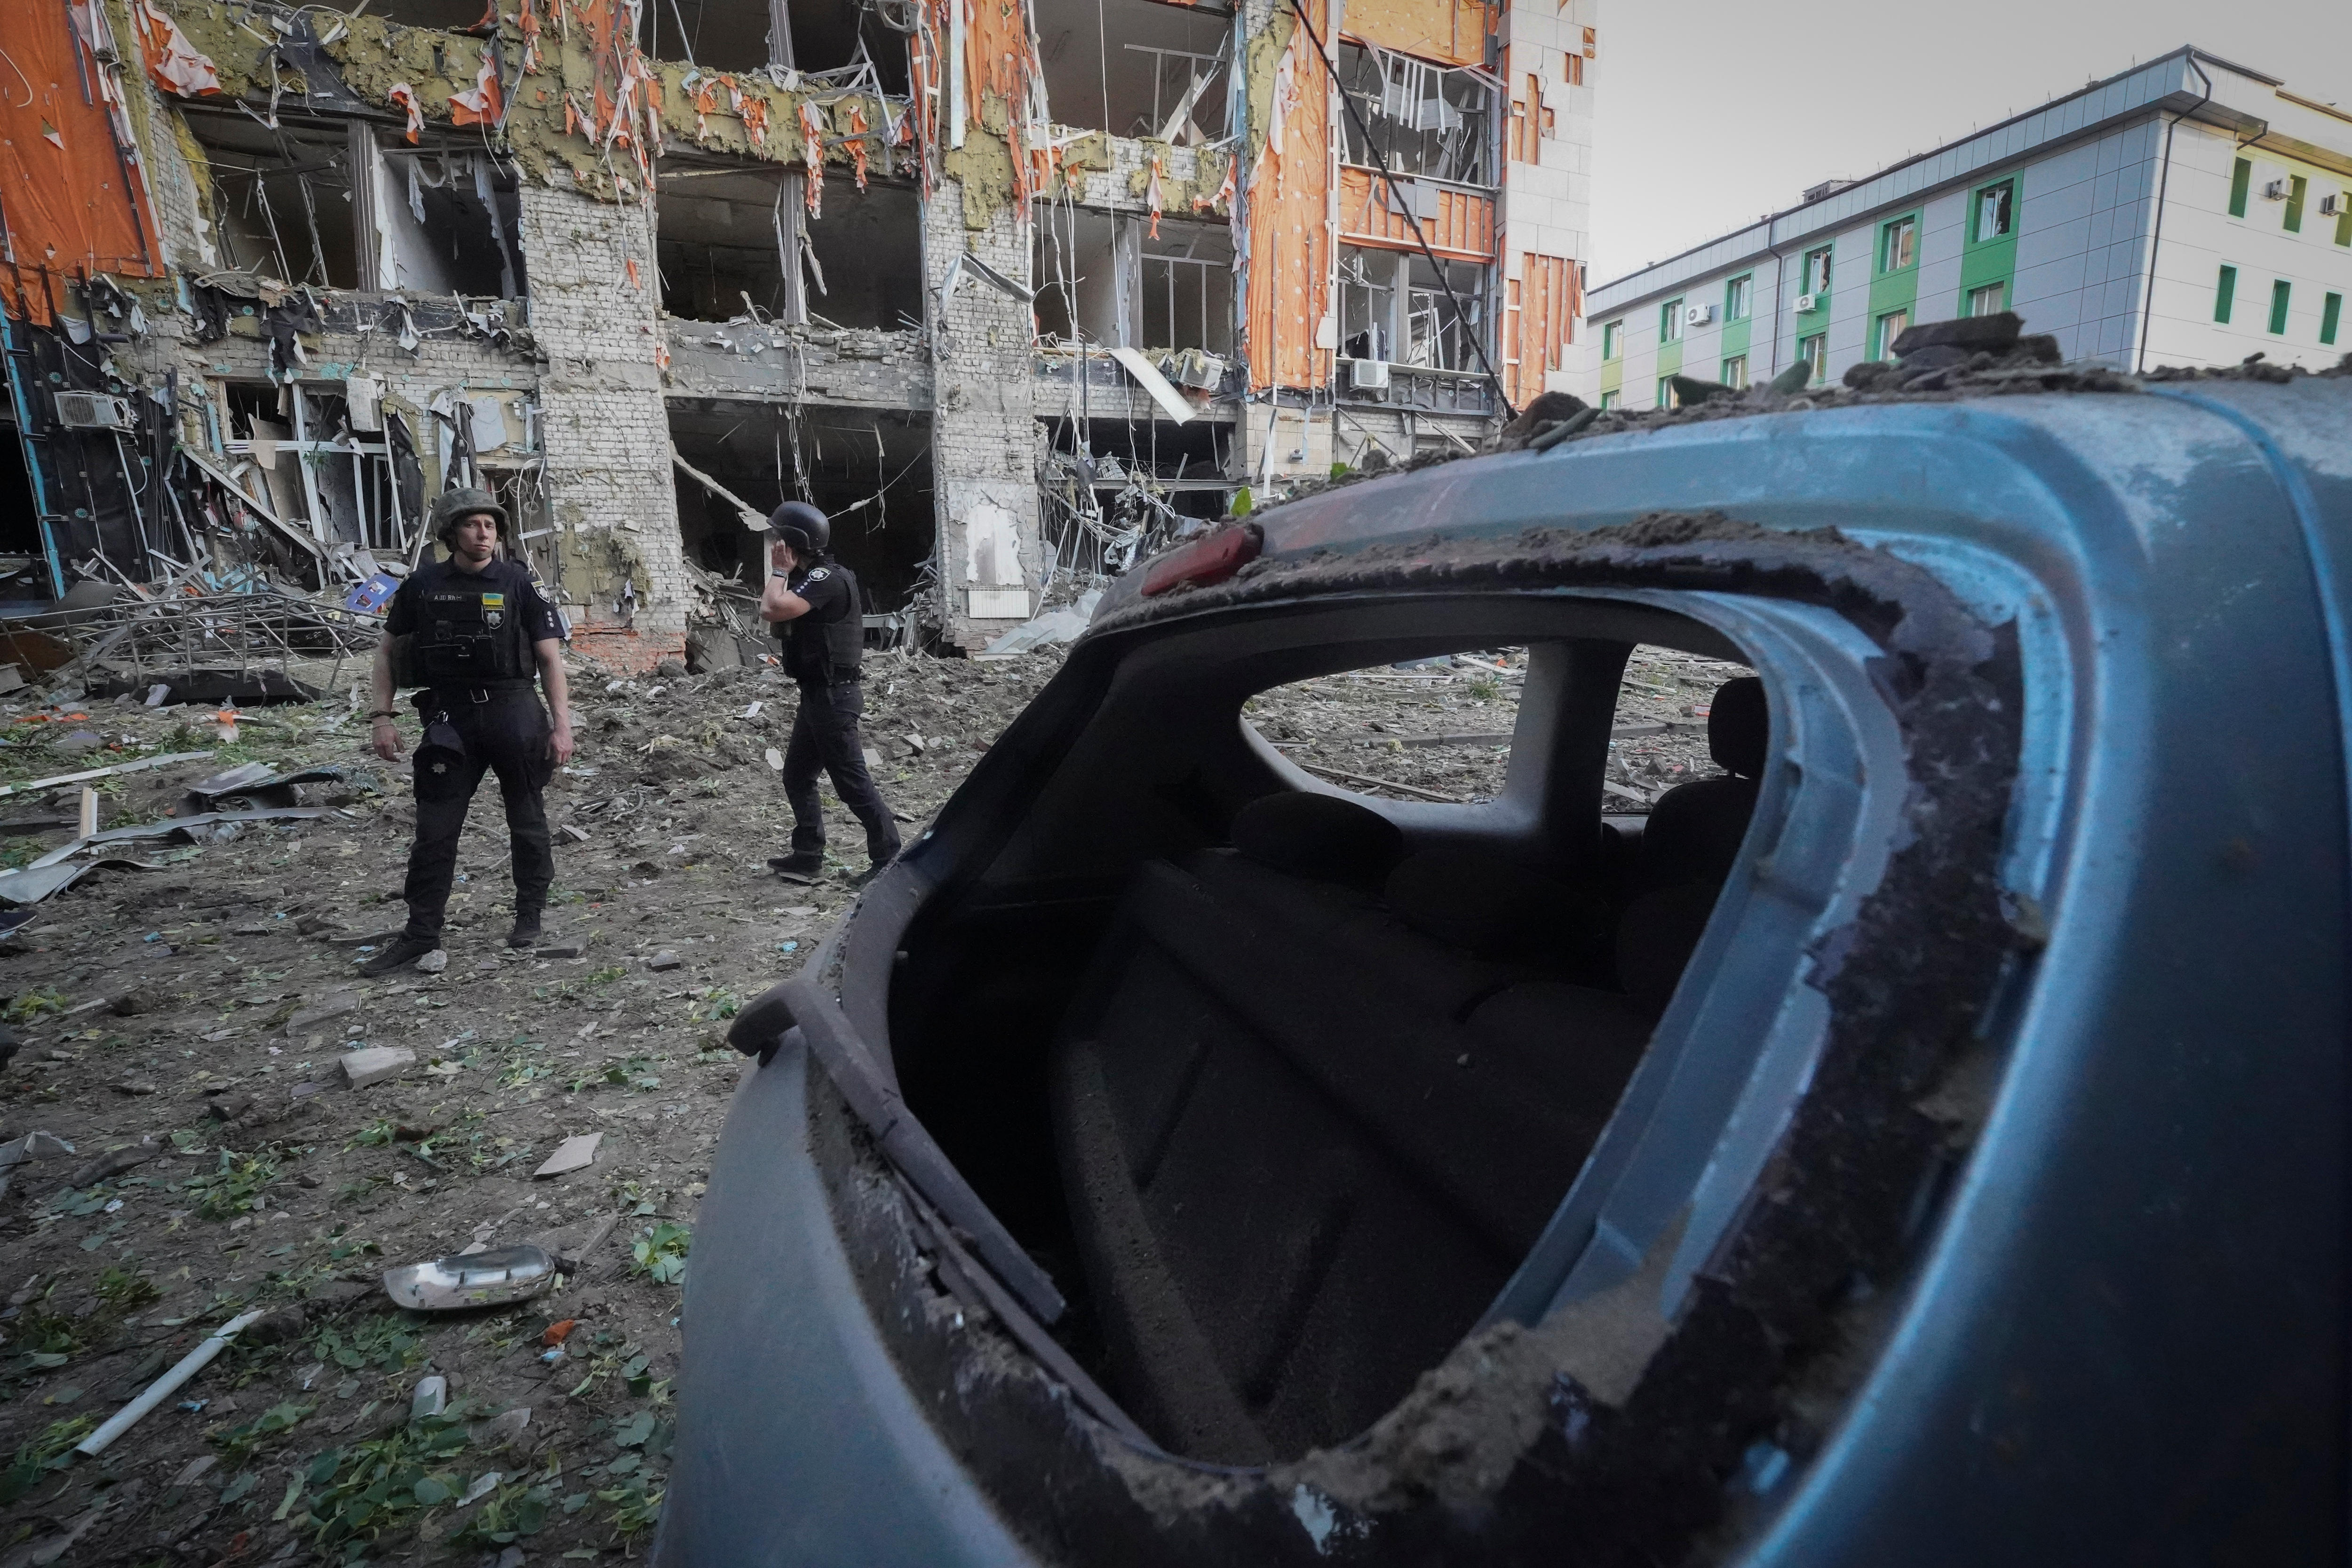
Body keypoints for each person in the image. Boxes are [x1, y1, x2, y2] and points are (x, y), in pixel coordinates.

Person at [362, 488, 573, 975]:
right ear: (452, 532)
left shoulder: (519, 584)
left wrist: (562, 726)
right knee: (435, 831)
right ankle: (420, 934)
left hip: (514, 713)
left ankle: (529, 915)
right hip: (449, 718)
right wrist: (382, 717)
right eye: (473, 525)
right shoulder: (422, 586)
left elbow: (549, 659)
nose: (484, 535)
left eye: (491, 526)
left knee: (527, 820)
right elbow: (386, 654)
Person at [759, 501, 900, 881]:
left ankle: (889, 859)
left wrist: (778, 571)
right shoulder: (815, 577)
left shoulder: (826, 578)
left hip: (835, 697)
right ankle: (808, 855)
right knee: (797, 775)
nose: (774, 544)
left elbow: (771, 608)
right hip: (819, 695)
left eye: (779, 539)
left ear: (792, 544)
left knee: (852, 782)